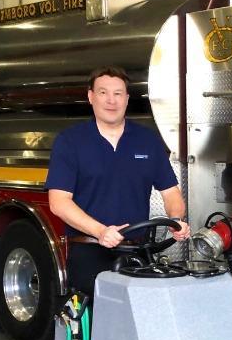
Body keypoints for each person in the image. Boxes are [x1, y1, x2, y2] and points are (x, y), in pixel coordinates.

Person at [46, 66, 191, 298]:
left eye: (118, 93)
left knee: (140, 321)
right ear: (90, 96)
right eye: (103, 93)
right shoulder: (70, 141)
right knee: (96, 320)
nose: (111, 100)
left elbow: (171, 193)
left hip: (137, 251)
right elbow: (59, 202)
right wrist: (101, 231)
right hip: (90, 249)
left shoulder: (147, 140)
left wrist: (176, 220)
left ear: (126, 99)